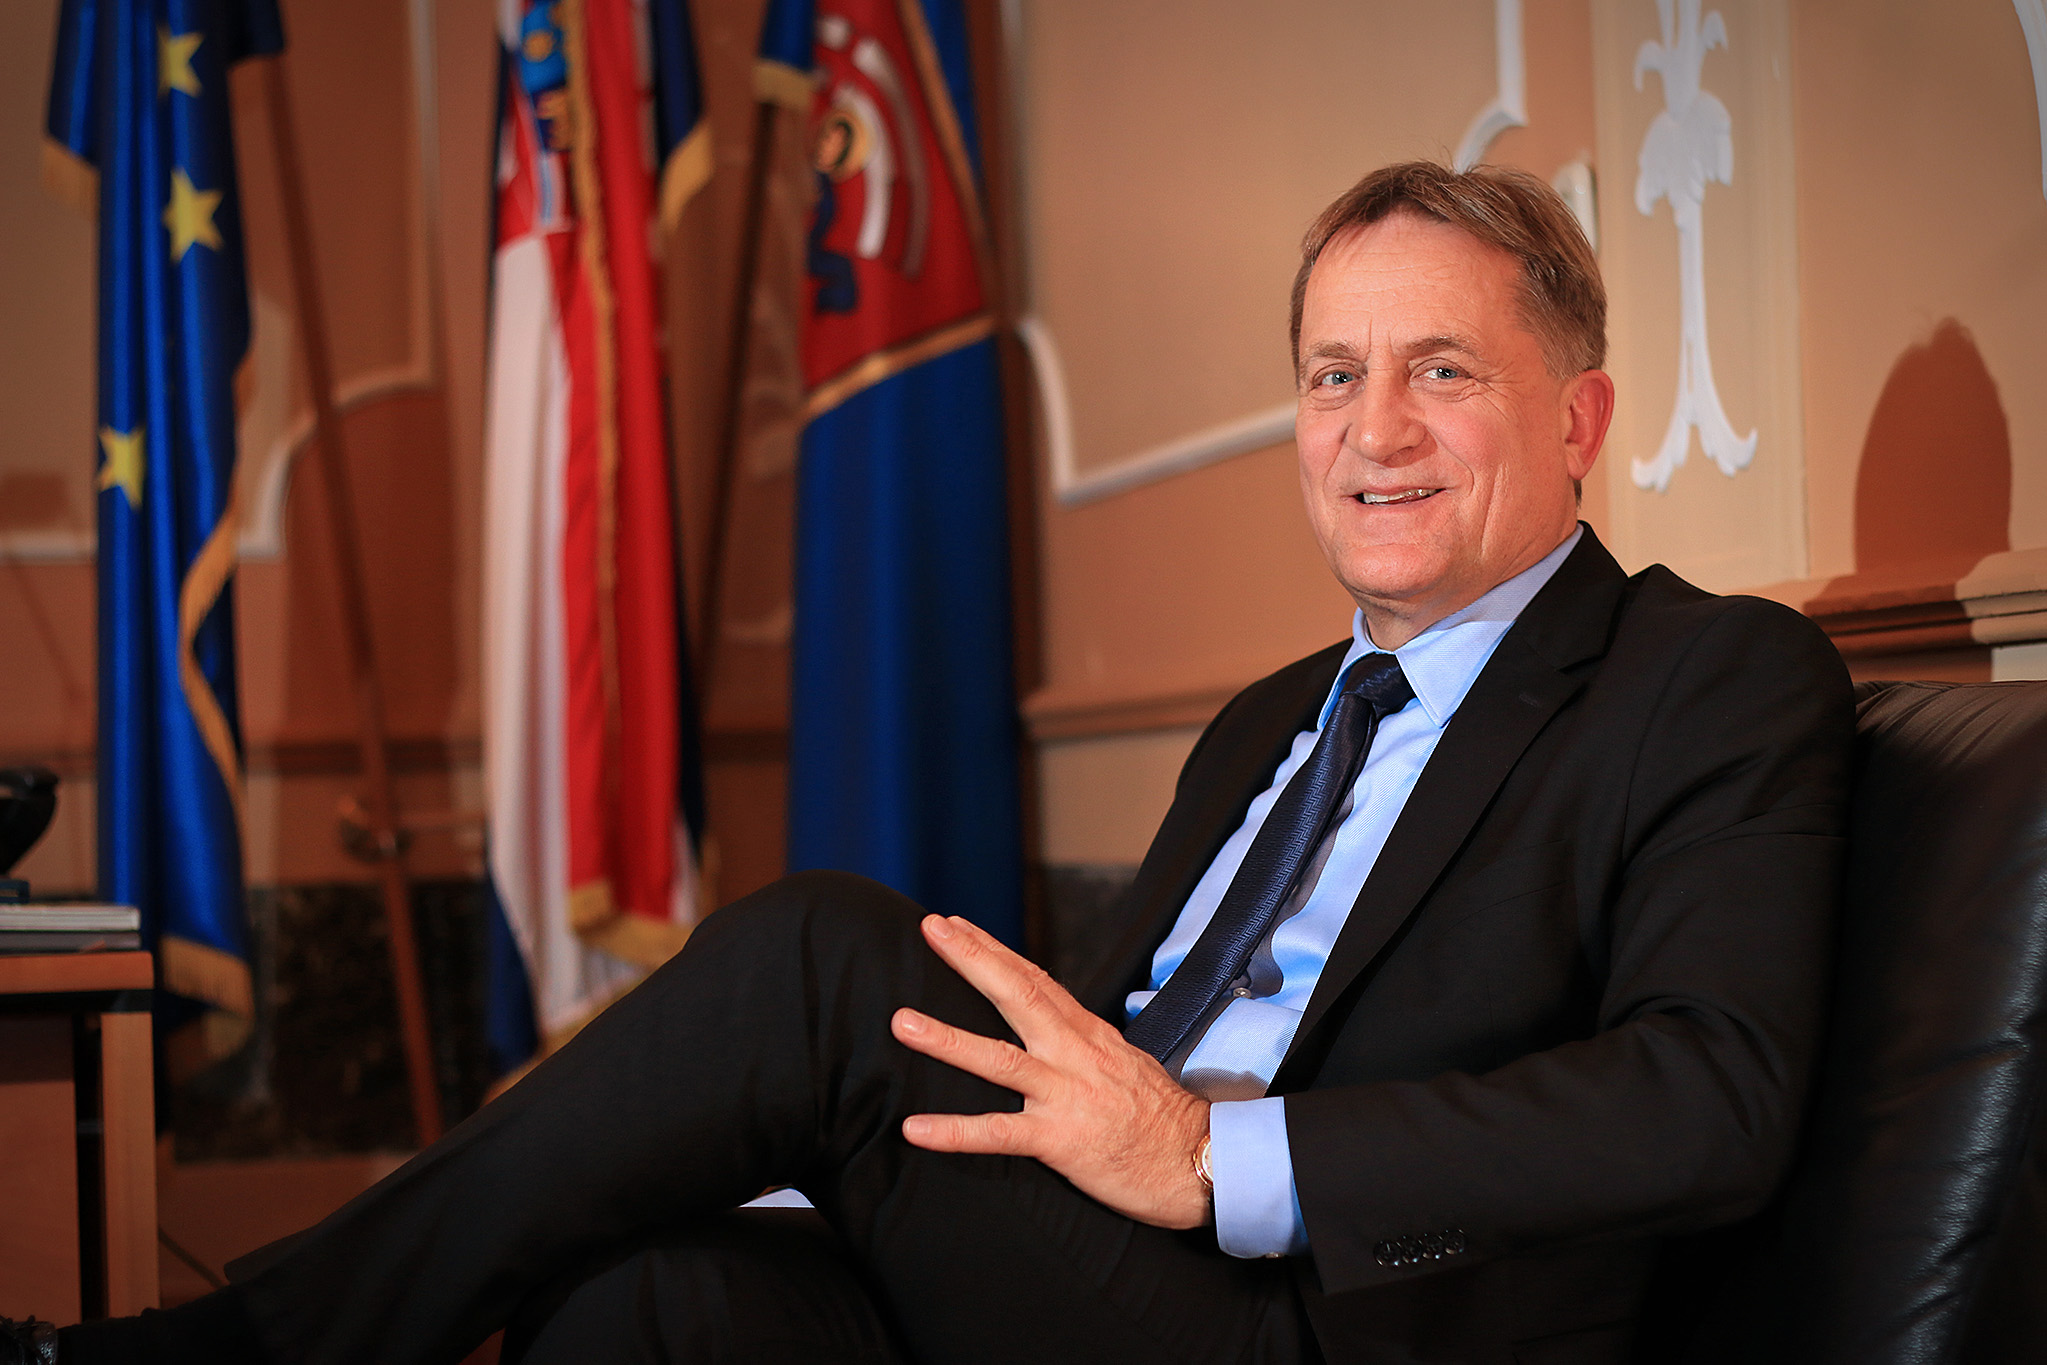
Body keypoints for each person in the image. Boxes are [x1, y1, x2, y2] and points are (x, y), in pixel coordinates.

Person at [10, 160, 1853, 1365]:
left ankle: (222, 1355)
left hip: (1331, 1313)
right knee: (645, 1300)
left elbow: (1710, 1094)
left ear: (1579, 416)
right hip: (1103, 1278)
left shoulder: (1709, 676)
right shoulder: (1270, 722)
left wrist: (1216, 1154)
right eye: (1329, 374)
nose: (1373, 430)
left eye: (1441, 370)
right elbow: (1102, 1047)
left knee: (827, 958)